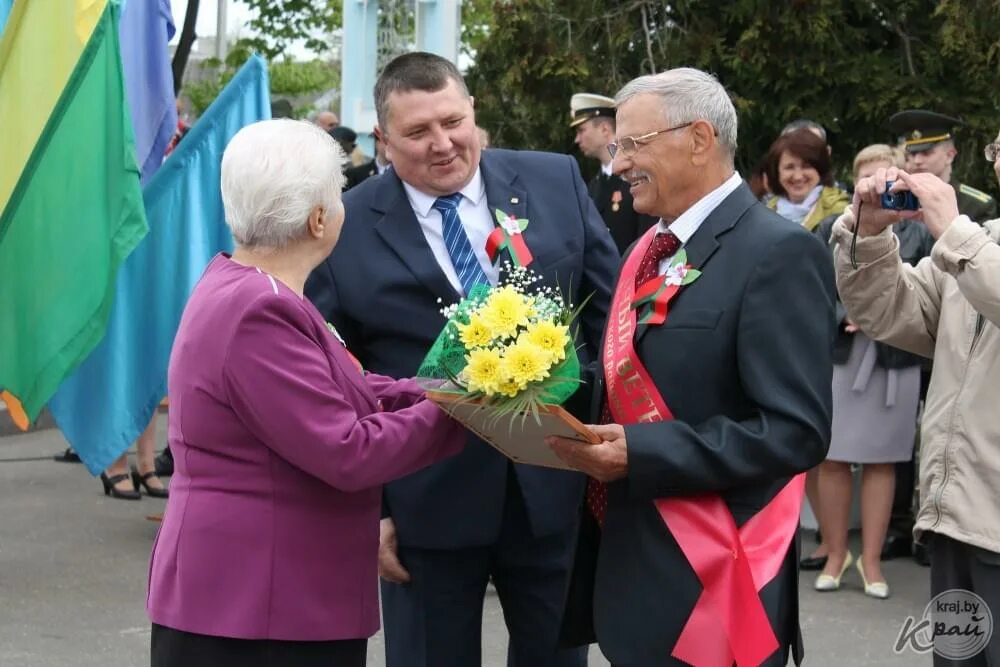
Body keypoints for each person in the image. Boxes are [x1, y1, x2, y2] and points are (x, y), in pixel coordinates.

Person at [305, 51, 619, 667]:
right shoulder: (346, 228)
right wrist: (372, 512)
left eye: (453, 121)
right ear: (384, 139)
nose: (443, 144)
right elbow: (334, 384)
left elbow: (610, 321)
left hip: (553, 488)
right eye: (418, 133)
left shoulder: (554, 181)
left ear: (473, 111)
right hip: (422, 506)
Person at [147, 118, 464, 667]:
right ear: (320, 219)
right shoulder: (260, 308)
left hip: (257, 595)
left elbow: (342, 387)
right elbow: (347, 448)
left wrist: (437, 389)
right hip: (262, 605)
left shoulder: (247, 285)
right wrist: (466, 409)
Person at [549, 67, 835, 666]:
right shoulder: (643, 251)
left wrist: (642, 453)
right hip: (634, 574)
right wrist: (525, 394)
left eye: (632, 144)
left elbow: (795, 431)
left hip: (718, 581)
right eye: (617, 146)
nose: (620, 162)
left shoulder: (778, 253)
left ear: (699, 138)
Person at [830, 144, 1000, 666]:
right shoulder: (984, 241)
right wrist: (870, 234)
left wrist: (955, 231)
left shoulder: (969, 241)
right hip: (958, 524)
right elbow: (890, 311)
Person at [809, 145, 931, 599]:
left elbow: (928, 284)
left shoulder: (918, 227)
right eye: (866, 175)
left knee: (884, 461)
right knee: (834, 456)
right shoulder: (831, 225)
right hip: (843, 354)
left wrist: (882, 307)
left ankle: (872, 560)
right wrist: (847, 312)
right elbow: (820, 285)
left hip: (894, 357)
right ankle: (836, 552)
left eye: (884, 174)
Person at [570, 92, 657, 255]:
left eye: (581, 130)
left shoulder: (637, 177)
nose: (577, 139)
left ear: (604, 129)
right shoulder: (593, 186)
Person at [888, 109, 997, 221]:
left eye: (926, 153)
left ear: (950, 156)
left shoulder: (977, 206)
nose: (917, 160)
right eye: (912, 153)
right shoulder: (897, 199)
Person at [764, 128, 850, 230]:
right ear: (777, 172)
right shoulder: (765, 212)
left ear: (820, 169)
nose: (798, 177)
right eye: (789, 167)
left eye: (806, 166)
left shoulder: (841, 211)